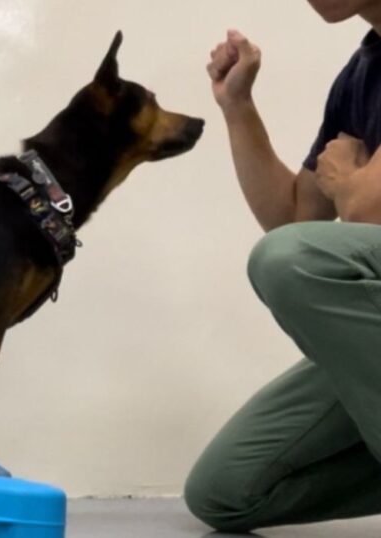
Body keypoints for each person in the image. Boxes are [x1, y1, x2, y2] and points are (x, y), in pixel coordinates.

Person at [184, 0, 381, 532]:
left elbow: (367, 210)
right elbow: (294, 220)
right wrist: (237, 105)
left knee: (294, 263)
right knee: (226, 491)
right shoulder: (363, 72)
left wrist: (350, 185)